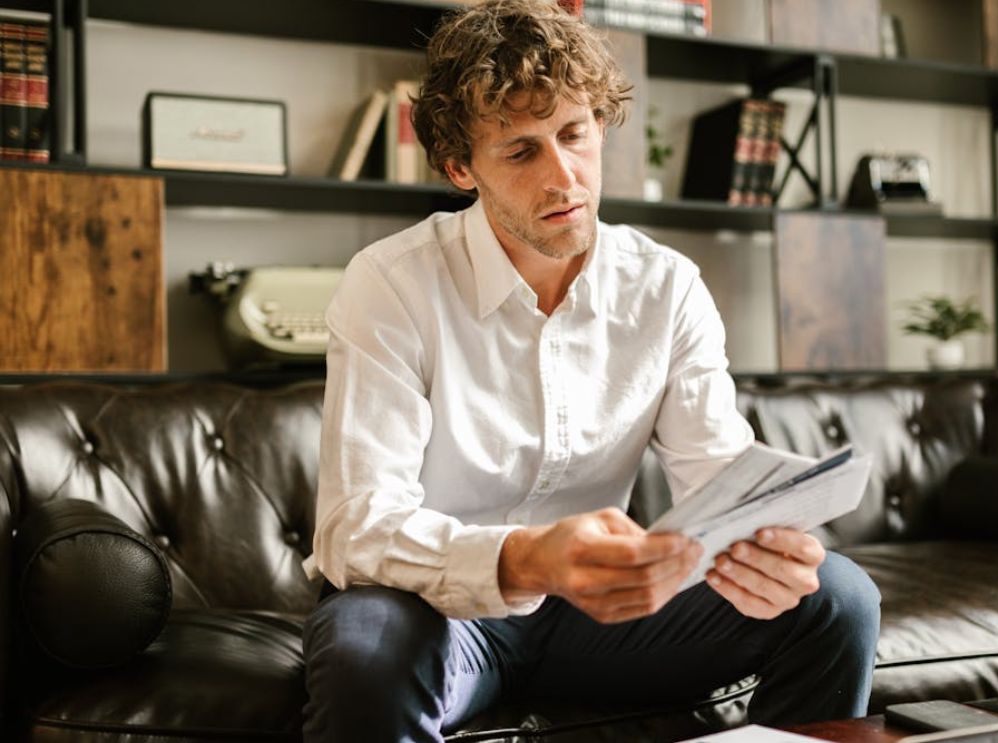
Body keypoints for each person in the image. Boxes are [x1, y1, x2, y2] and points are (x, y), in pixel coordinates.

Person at [301, 1, 880, 740]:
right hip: (438, 611)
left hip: (602, 620)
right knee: (364, 648)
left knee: (836, 594)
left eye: (574, 134)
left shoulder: (665, 285)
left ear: (598, 126)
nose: (562, 176)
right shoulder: (391, 281)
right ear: (459, 167)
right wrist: (526, 558)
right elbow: (357, 527)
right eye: (520, 151)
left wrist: (763, 550)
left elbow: (718, 473)